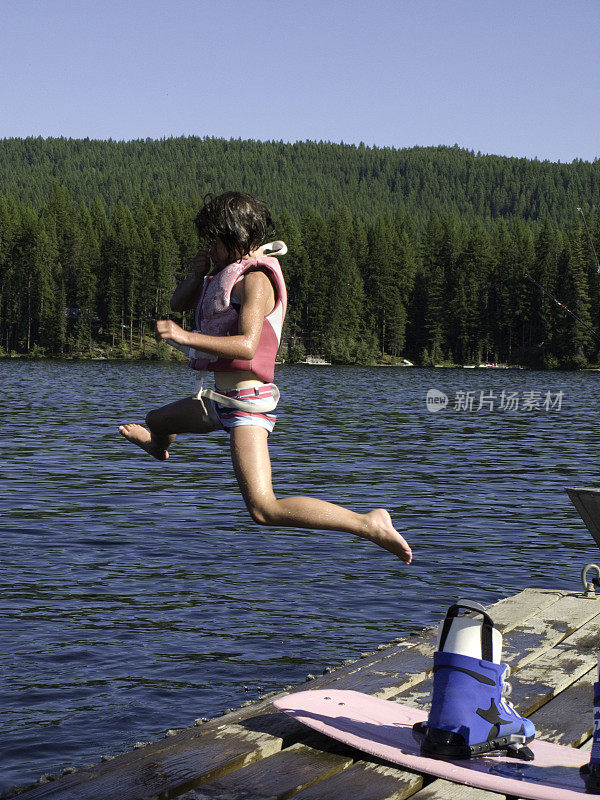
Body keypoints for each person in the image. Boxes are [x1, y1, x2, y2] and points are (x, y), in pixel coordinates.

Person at [118, 192, 412, 563]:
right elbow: (179, 303)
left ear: (237, 236)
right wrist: (197, 275)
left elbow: (246, 346)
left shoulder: (256, 280)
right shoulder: (223, 272)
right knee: (156, 420)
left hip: (247, 405)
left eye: (213, 238)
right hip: (218, 403)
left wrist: (184, 336)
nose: (208, 245)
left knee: (262, 508)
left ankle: (368, 523)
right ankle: (159, 446)